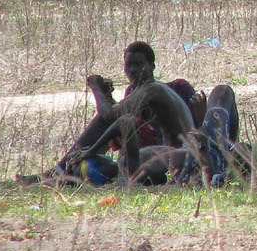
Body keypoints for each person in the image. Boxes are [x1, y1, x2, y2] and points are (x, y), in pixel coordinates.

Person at [16, 42, 221, 186]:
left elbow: (111, 117)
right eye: (128, 65)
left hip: (177, 160)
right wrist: (107, 98)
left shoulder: (156, 89)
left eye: (139, 65)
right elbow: (123, 123)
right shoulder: (135, 91)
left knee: (104, 127)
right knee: (100, 162)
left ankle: (58, 173)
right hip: (152, 156)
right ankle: (61, 172)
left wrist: (95, 89)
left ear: (152, 67)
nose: (132, 70)